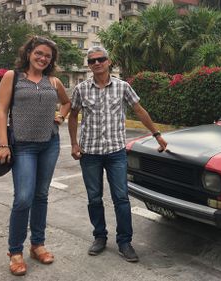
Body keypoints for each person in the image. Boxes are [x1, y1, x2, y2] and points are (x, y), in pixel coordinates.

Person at [68, 46, 167, 262]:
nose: (97, 63)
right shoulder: (81, 89)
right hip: (90, 153)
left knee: (121, 198)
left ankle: (125, 242)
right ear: (88, 65)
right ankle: (100, 237)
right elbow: (73, 115)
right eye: (92, 60)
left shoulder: (123, 87)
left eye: (100, 59)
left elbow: (140, 111)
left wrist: (157, 134)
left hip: (116, 153)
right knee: (94, 198)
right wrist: (74, 144)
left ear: (109, 61)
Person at [0, 36, 71, 276]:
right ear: (29, 53)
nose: (42, 58)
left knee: (41, 195)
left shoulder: (53, 81)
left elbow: (66, 103)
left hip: (50, 143)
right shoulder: (12, 77)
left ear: (52, 60)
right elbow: (1, 110)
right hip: (23, 146)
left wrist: (60, 117)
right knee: (24, 198)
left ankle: (37, 244)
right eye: (38, 53)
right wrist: (3, 144)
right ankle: (15, 250)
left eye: (47, 56)